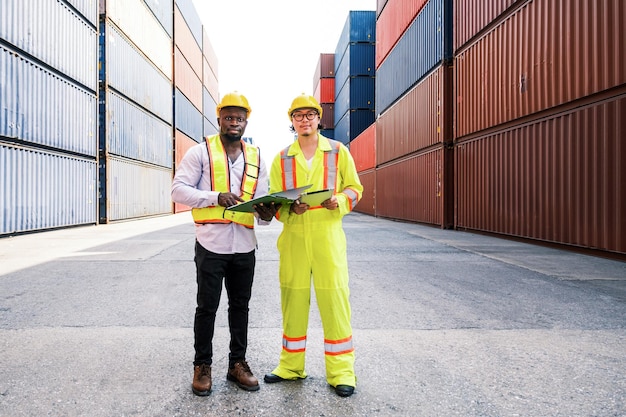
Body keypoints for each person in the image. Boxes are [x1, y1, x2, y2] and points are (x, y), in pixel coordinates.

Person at [171, 91, 278, 395]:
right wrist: (213, 196)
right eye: (229, 117)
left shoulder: (256, 157)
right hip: (211, 245)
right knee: (207, 307)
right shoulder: (199, 153)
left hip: (245, 246)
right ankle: (202, 365)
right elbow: (178, 190)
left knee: (240, 307)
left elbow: (262, 205)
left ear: (246, 122)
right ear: (219, 119)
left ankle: (237, 364)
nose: (234, 123)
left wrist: (267, 214)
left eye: (239, 118)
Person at [263, 94, 363, 397]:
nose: (304, 120)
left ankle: (342, 372)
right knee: (292, 302)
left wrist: (340, 200)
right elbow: (273, 199)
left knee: (334, 302)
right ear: (291, 121)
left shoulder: (337, 151)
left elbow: (355, 188)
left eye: (310, 114)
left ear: (319, 119)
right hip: (293, 237)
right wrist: (288, 209)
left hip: (327, 236)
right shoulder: (282, 158)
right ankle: (291, 366)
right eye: (298, 115)